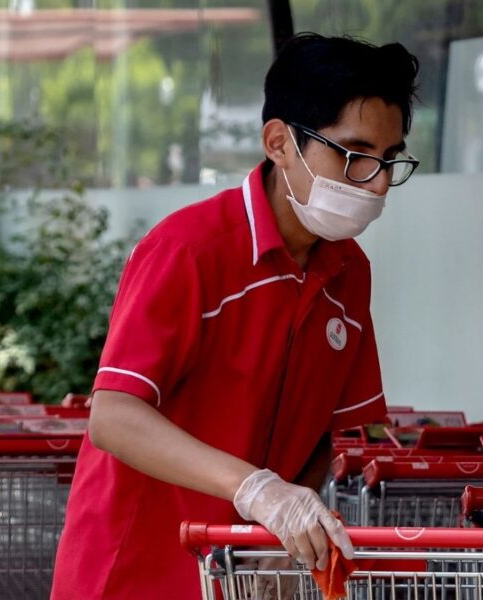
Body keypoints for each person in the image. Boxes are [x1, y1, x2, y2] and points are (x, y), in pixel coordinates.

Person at [51, 33, 421, 598]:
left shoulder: (350, 271)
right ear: (278, 142)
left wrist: (292, 519)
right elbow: (114, 416)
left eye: (389, 160)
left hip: (244, 575)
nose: (376, 183)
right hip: (135, 571)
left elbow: (336, 432)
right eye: (353, 155)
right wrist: (258, 490)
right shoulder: (188, 250)